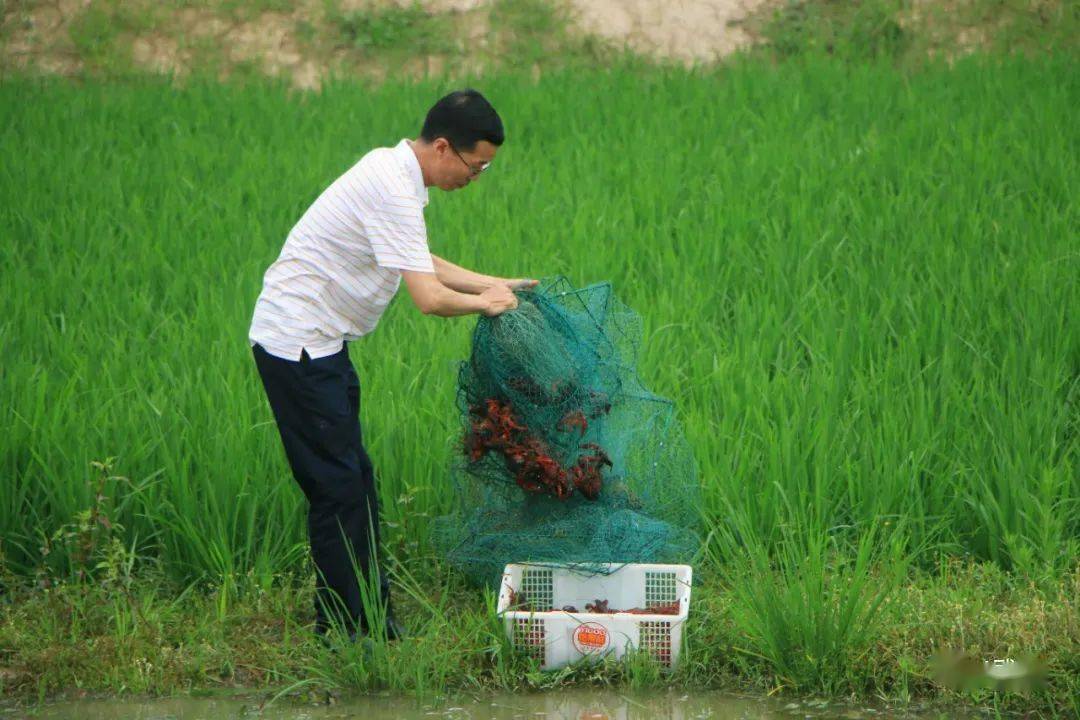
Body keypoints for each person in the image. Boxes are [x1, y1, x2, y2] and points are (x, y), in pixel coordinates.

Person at [248, 89, 535, 642]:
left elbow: (417, 256)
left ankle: (369, 618)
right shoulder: (391, 187)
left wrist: (496, 283)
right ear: (443, 147)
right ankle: (348, 631)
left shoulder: (395, 173)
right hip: (297, 346)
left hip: (322, 344)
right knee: (337, 489)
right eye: (476, 166)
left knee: (354, 479)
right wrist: (485, 303)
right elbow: (428, 297)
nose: (476, 178)